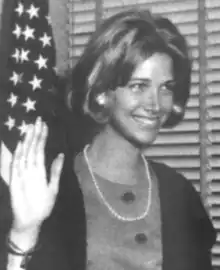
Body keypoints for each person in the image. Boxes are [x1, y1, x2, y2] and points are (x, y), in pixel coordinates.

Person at [0, 9, 216, 270]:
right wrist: (25, 232)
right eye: (139, 86)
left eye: (166, 88)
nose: (156, 104)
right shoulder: (51, 191)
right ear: (102, 92)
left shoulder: (180, 195)